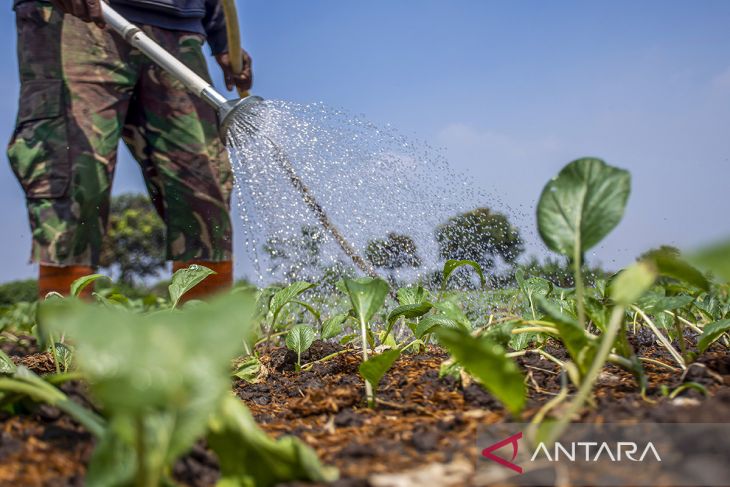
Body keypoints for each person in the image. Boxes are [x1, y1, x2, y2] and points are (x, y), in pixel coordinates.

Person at [8, 0, 252, 300]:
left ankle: (206, 333)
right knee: (76, 176)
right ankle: (65, 340)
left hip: (178, 26)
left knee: (204, 183)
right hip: (74, 18)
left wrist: (224, 37)